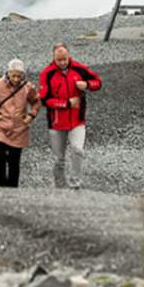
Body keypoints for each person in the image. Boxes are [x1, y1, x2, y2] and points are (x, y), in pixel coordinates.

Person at [38, 43, 102, 189]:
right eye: (59, 60)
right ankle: (59, 186)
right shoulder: (47, 74)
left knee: (77, 150)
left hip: (77, 120)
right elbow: (44, 100)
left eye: (64, 59)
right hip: (56, 123)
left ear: (69, 56)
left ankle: (75, 184)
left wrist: (86, 85)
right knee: (59, 159)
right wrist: (66, 103)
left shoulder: (80, 69)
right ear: (53, 58)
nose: (62, 62)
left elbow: (98, 82)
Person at [0, 59, 39, 188]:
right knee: (0, 156)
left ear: (23, 75)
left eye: (19, 76)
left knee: (14, 162)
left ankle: (12, 191)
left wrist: (31, 115)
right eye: (13, 75)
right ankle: (1, 187)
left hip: (19, 129)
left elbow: (37, 101)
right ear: (8, 73)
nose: (16, 79)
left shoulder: (28, 87)